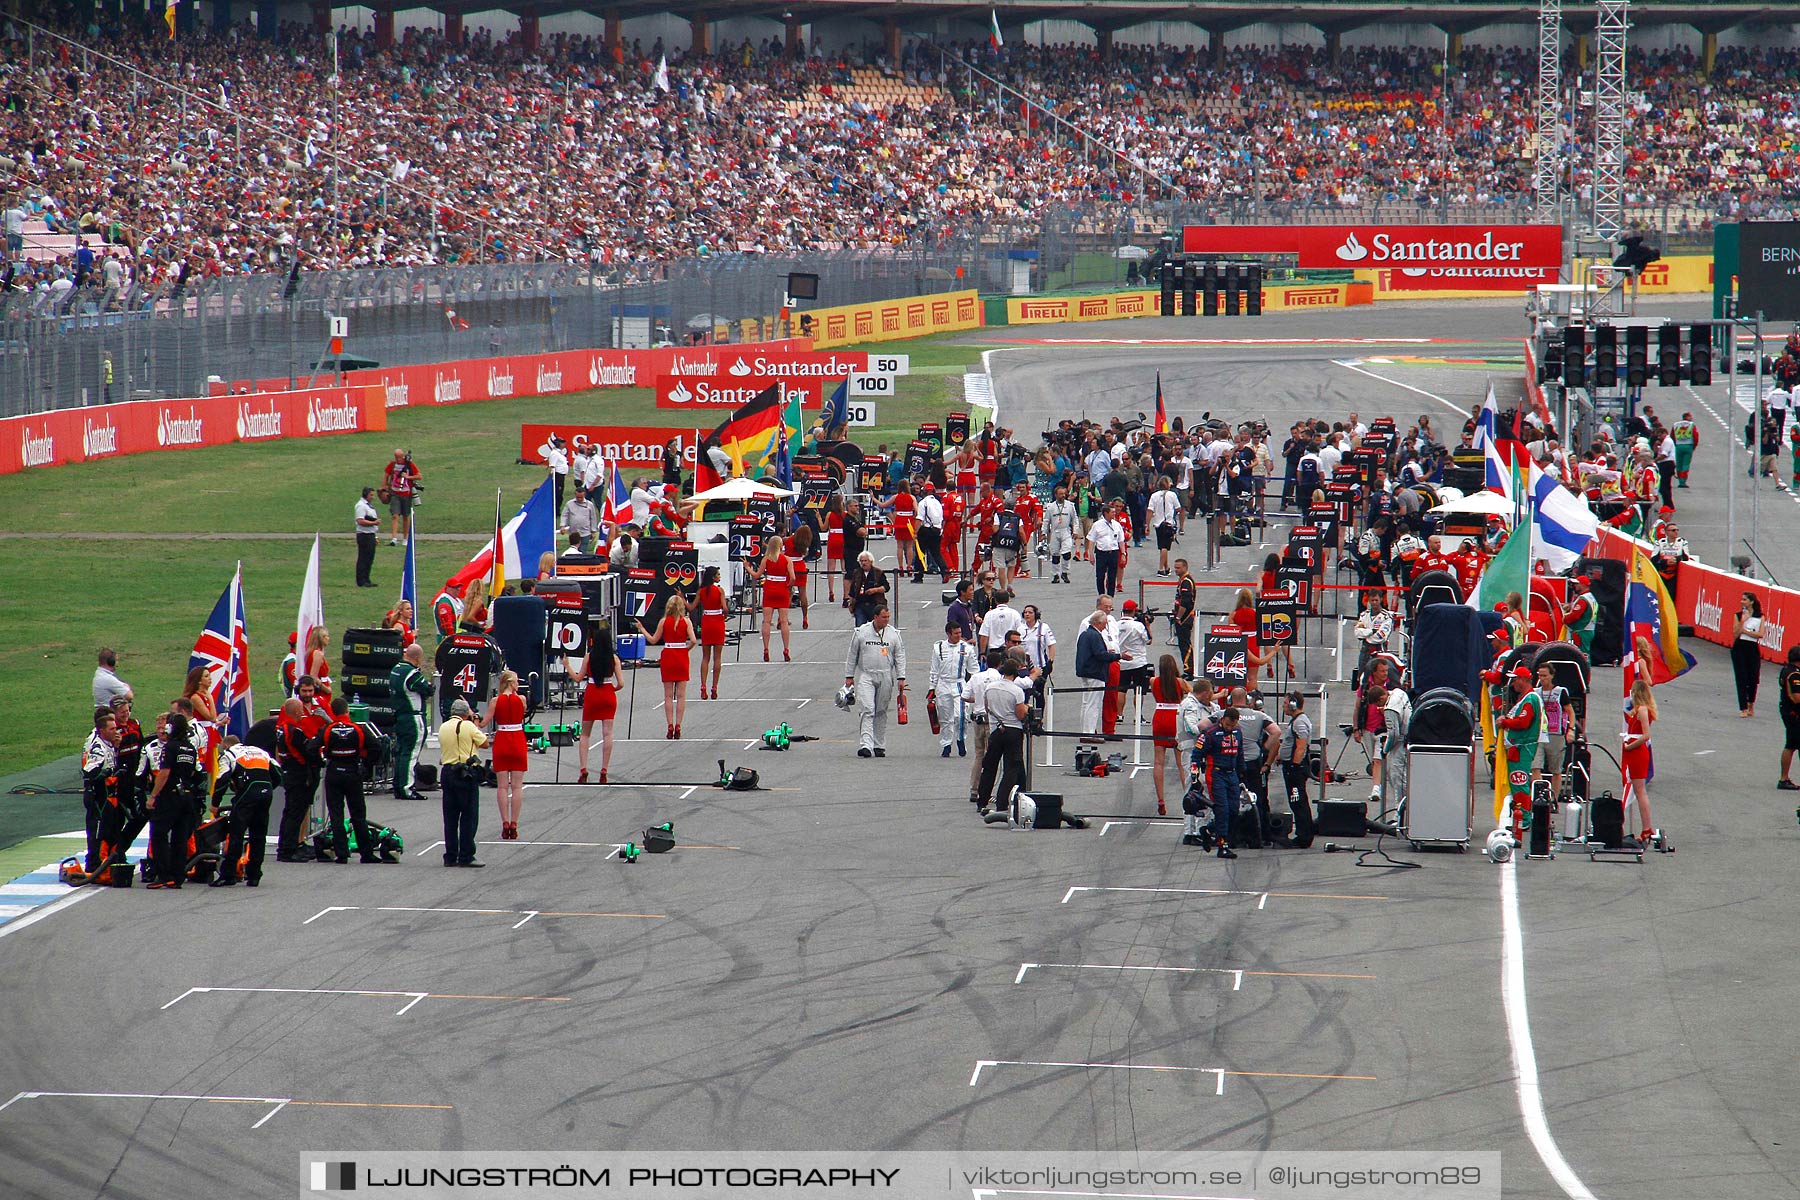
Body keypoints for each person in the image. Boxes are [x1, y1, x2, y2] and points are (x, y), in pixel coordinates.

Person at [320, 696, 387, 864]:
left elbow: (311, 748)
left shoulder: (328, 729)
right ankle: (366, 853)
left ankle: (341, 853)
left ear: (332, 712)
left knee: (336, 814)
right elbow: (376, 747)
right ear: (347, 711)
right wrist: (366, 765)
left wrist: (324, 759)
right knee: (358, 814)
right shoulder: (358, 729)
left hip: (334, 772)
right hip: (352, 772)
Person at [208, 738, 281, 888]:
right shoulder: (260, 752)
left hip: (247, 794)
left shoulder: (229, 754)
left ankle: (228, 874)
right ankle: (254, 875)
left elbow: (222, 779)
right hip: (266, 793)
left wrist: (215, 804)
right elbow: (278, 774)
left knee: (236, 833)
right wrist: (267, 788)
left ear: (226, 745)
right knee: (259, 835)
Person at [145, 711, 202, 888]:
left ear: (171, 728)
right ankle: (177, 877)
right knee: (180, 838)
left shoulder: (169, 747)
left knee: (159, 834)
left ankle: (163, 874)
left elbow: (164, 773)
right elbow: (194, 772)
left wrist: (153, 795)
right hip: (187, 796)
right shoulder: (190, 748)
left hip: (170, 795)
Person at [845, 605, 907, 758]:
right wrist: (849, 676)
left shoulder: (894, 634)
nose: (886, 620)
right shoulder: (861, 632)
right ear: (875, 617)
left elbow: (900, 656)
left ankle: (879, 745)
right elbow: (852, 654)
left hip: (886, 675)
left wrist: (901, 677)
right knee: (867, 709)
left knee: (881, 711)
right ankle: (866, 745)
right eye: (883, 617)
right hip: (867, 675)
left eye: (888, 617)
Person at [974, 658, 1029, 819]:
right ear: (1015, 673)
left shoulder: (990, 688)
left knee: (990, 766)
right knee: (1011, 768)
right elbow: (1019, 714)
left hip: (995, 730)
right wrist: (1026, 710)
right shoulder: (1016, 691)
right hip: (1013, 730)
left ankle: (982, 800)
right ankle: (1002, 802)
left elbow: (987, 707)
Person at [438, 699, 488, 868]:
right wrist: (474, 723)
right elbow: (485, 743)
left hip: (447, 772)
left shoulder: (443, 727)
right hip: (466, 772)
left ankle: (450, 855)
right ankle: (466, 855)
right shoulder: (469, 726)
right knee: (468, 816)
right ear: (466, 714)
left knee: (450, 817)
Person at [639, 595, 694, 740]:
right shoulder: (686, 621)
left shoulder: (664, 622)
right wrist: (685, 649)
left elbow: (652, 640)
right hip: (681, 655)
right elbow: (693, 640)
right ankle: (678, 725)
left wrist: (642, 629)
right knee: (681, 695)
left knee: (668, 695)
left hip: (668, 654)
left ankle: (669, 724)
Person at [1496, 664, 1544, 830]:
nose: (1513, 683)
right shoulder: (1524, 698)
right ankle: (1520, 816)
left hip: (1523, 747)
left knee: (1520, 781)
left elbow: (1523, 722)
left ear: (1524, 680)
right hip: (1518, 747)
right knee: (1516, 782)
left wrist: (1505, 722)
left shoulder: (1530, 699)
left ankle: (1524, 818)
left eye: (1515, 679)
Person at [1193, 706, 1243, 859]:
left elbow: (1240, 754)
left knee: (1234, 810)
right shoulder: (1209, 734)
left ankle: (1208, 830)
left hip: (1232, 774)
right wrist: (1195, 777)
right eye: (1227, 724)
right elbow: (1196, 755)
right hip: (1215, 774)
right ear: (1222, 719)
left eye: (1232, 725)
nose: (1229, 727)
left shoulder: (1238, 733)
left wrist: (1242, 775)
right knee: (1222, 810)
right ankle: (1223, 845)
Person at [486, 669, 529, 840]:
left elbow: (484, 722)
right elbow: (522, 711)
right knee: (517, 786)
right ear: (511, 683)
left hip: (502, 740)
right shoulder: (522, 699)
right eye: (516, 681)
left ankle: (505, 823)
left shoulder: (495, 701)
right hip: (517, 739)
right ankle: (514, 823)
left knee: (502, 786)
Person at [388, 643, 431, 800]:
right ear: (417, 658)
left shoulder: (395, 670)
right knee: (411, 753)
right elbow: (427, 689)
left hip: (399, 716)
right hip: (413, 717)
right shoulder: (411, 673)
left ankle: (398, 785)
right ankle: (407, 788)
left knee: (401, 752)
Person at [929, 621, 977, 758]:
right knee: (945, 717)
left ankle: (960, 739)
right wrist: (931, 688)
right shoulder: (938, 647)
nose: (959, 635)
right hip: (943, 685)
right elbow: (934, 669)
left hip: (959, 684)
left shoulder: (966, 648)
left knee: (961, 715)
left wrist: (974, 687)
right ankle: (946, 744)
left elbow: (974, 670)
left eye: (960, 633)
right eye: (956, 633)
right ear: (948, 633)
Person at [81, 707, 119, 874]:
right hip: (96, 795)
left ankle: (105, 861)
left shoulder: (108, 744)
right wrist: (107, 772)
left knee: (108, 829)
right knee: (95, 831)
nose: (115, 731)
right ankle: (93, 864)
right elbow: (89, 771)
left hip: (105, 795)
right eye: (112, 729)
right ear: (102, 730)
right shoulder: (97, 747)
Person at [1148, 654, 1185, 817]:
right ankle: (1188, 795)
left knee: (1158, 762)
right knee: (1181, 763)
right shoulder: (1180, 682)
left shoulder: (1153, 681)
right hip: (1175, 717)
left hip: (1160, 717)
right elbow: (1193, 694)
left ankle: (1161, 800)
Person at [1278, 693, 1316, 848]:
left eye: (1285, 703)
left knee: (1298, 802)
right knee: (1297, 802)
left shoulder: (1299, 723)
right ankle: (1304, 833)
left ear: (1293, 704)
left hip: (1295, 769)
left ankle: (1304, 836)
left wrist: (1294, 765)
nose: (1283, 706)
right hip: (1293, 767)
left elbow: (1301, 747)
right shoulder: (1297, 721)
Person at [1622, 677, 1657, 842]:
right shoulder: (1638, 709)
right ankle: (1646, 828)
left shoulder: (1642, 710)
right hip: (1633, 748)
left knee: (1639, 790)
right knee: (1638, 789)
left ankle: (1646, 827)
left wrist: (1630, 746)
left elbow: (1646, 735)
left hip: (1637, 750)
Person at [1075, 611, 1119, 738]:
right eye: (1104, 623)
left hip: (1086, 671)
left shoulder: (1085, 634)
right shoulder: (1094, 635)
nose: (1105, 626)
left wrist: (1104, 651)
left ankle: (1085, 730)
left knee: (1086, 703)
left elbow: (1095, 652)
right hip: (1095, 673)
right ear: (1098, 623)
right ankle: (1089, 733)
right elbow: (1100, 655)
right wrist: (1117, 656)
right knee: (1093, 704)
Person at [750, 537, 795, 663]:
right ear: (780, 545)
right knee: (784, 621)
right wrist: (788, 585)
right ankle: (786, 649)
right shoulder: (786, 559)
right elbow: (793, 577)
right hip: (782, 589)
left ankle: (766, 649)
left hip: (769, 589)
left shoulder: (766, 559)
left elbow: (757, 575)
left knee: (766, 621)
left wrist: (748, 568)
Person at [696, 566, 727, 702]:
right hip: (718, 622)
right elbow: (725, 608)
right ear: (713, 577)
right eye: (718, 575)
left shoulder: (701, 591)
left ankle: (703, 686)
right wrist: (724, 613)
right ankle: (714, 687)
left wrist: (682, 599)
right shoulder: (719, 590)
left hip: (707, 621)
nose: (719, 576)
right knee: (717, 657)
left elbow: (692, 607)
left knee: (705, 657)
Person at [1732, 592, 1765, 718]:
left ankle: (1751, 702)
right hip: (1739, 647)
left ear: (1751, 602)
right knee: (1741, 677)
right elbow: (1735, 633)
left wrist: (1745, 631)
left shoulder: (1760, 616)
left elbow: (1760, 634)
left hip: (1752, 648)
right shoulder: (1738, 615)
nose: (1742, 601)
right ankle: (1743, 707)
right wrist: (1742, 622)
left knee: (1753, 677)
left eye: (1745, 600)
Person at [1086, 502, 1126, 597]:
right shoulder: (1097, 525)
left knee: (1112, 577)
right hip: (1101, 553)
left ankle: (1110, 597)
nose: (1114, 513)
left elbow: (1121, 540)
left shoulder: (1117, 525)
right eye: (1112, 512)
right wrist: (1090, 554)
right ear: (1106, 513)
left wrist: (1123, 553)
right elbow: (1091, 540)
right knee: (1100, 576)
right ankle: (1101, 595)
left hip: (1113, 552)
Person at [383, 448, 421, 544]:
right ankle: (394, 538)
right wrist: (384, 487)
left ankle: (405, 538)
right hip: (395, 493)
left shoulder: (409, 465)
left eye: (399, 457)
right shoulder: (392, 465)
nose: (398, 459)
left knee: (405, 516)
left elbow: (419, 476)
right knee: (395, 515)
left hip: (406, 493)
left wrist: (408, 477)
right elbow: (386, 475)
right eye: (396, 457)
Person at [1043, 484, 1077, 583]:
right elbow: (1046, 521)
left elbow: (1075, 519)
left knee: (1066, 553)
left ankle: (1065, 572)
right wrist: (1043, 532)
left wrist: (1075, 531)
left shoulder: (1070, 506)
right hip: (1055, 532)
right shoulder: (1050, 507)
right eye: (1060, 494)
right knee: (1055, 554)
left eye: (1064, 494)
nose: (1063, 495)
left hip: (1066, 531)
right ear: (1056, 495)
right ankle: (1055, 575)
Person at [846, 551, 889, 627]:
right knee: (860, 628)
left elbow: (886, 587)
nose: (863, 563)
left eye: (865, 561)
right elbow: (852, 591)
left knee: (876, 627)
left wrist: (875, 590)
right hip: (860, 605)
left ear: (871, 561)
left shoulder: (878, 572)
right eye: (861, 561)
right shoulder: (856, 573)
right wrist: (851, 604)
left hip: (875, 604)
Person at [1149, 475, 1181, 576]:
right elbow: (1178, 508)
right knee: (1165, 547)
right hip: (1168, 523)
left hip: (1158, 524)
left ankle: (1167, 568)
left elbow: (1150, 510)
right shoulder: (1172, 495)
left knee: (1162, 546)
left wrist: (1147, 524)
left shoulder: (1154, 496)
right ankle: (1161, 569)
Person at [1779, 646, 1800, 791]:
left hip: (1787, 711)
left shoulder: (1785, 670)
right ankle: (1783, 778)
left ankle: (1784, 778)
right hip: (1794, 714)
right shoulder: (1794, 674)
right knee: (1791, 745)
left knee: (1792, 745)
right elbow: (1797, 697)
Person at [1562, 575, 1598, 657]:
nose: (1575, 586)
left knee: (1581, 655)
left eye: (1577, 584)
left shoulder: (1583, 599)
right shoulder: (1591, 597)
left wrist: (1563, 618)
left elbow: (1574, 616)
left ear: (1583, 585)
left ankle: (1584, 670)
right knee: (1584, 654)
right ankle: (1586, 669)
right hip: (1589, 629)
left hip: (1582, 631)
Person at [561, 483, 600, 554]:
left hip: (585, 533)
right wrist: (563, 525)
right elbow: (564, 515)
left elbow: (593, 518)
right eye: (577, 497)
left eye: (581, 497)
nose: (579, 499)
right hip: (574, 533)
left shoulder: (589, 505)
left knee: (583, 551)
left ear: (584, 495)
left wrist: (593, 531)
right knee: (573, 551)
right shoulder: (569, 504)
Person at [789, 524, 815, 631]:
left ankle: (782, 618)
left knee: (788, 593)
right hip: (800, 566)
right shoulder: (804, 544)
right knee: (803, 594)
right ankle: (805, 617)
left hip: (789, 566)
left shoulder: (788, 540)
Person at [354, 486, 381, 587]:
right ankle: (361, 580)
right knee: (363, 558)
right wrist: (374, 522)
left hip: (370, 534)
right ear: (366, 495)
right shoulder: (361, 506)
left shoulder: (368, 506)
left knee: (369, 558)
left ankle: (367, 579)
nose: (373, 497)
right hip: (364, 535)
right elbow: (360, 521)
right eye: (371, 495)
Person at [302, 626, 333, 701]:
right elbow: (313, 676)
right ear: (321, 638)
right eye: (327, 636)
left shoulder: (311, 652)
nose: (328, 638)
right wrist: (326, 689)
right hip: (321, 692)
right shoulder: (317, 654)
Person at [1671, 412, 1699, 488]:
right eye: (1690, 417)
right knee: (1685, 464)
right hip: (1688, 446)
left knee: (1679, 464)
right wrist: (1693, 446)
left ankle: (1680, 479)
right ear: (1687, 417)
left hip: (1678, 446)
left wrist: (1675, 445)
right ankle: (1683, 481)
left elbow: (1672, 436)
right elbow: (1695, 437)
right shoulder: (1691, 425)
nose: (1692, 418)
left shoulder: (1676, 425)